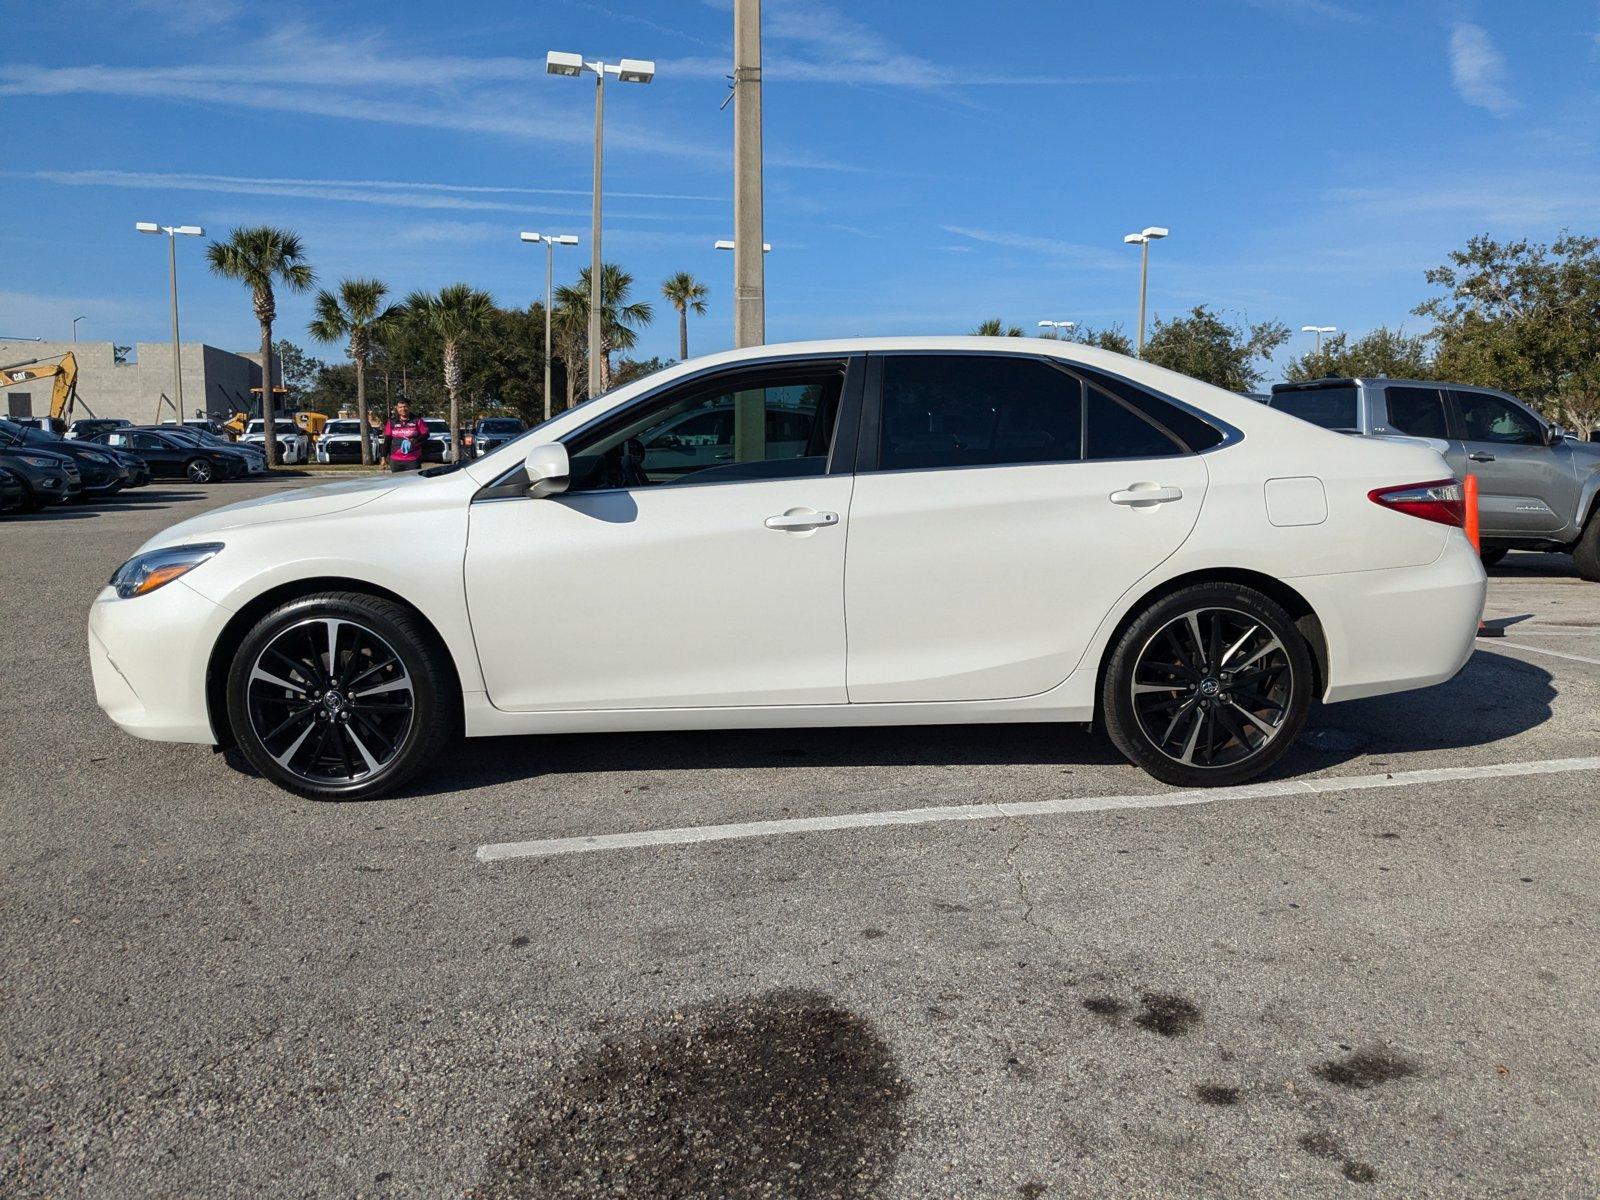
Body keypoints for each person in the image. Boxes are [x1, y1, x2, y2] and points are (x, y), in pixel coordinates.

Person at [381, 399, 429, 473]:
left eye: (405, 406)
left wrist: (416, 440)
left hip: (413, 459)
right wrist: (383, 457)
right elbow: (387, 440)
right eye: (400, 407)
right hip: (395, 460)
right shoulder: (391, 422)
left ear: (409, 407)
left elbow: (426, 435)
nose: (403, 409)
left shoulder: (417, 420)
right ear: (397, 408)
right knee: (397, 483)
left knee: (413, 483)